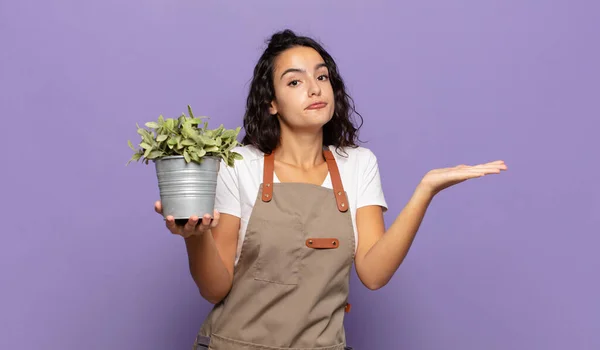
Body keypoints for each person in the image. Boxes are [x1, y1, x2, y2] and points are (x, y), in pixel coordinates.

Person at [154, 29, 507, 350]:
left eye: (321, 76)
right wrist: (194, 236)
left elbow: (374, 273)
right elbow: (214, 288)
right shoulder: (238, 164)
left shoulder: (358, 164)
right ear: (271, 102)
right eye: (294, 82)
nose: (314, 87)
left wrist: (425, 190)